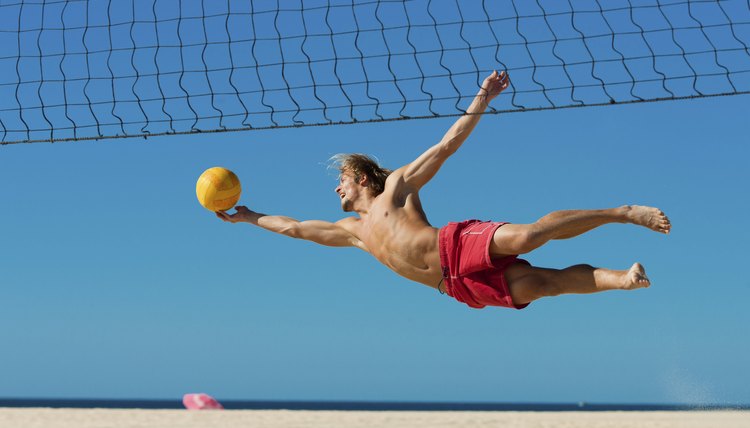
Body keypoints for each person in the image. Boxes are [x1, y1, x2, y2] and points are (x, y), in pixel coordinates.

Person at [216, 71, 671, 309]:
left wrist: (482, 99)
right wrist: (250, 217)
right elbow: (294, 228)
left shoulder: (395, 188)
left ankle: (622, 211)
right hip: (453, 286)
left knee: (531, 236)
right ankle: (624, 281)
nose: (336, 187)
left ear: (362, 180)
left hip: (456, 247)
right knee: (543, 285)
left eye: (341, 179)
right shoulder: (353, 230)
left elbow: (446, 145)